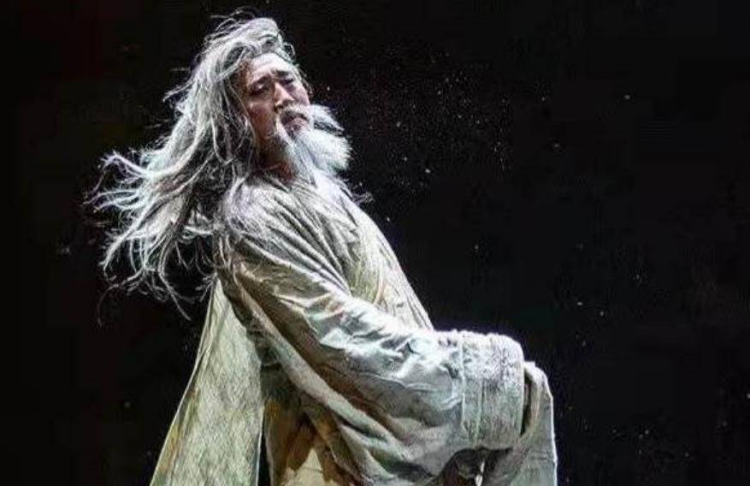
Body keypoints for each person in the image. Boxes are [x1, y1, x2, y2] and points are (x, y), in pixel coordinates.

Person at [93, 15, 557, 486]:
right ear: (237, 121)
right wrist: (479, 380)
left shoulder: (335, 202)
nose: (281, 96)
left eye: (287, 80)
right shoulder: (253, 217)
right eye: (259, 91)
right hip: (330, 466)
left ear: (308, 92)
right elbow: (340, 338)